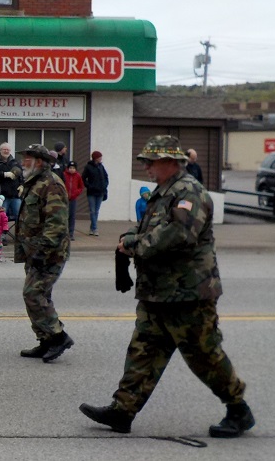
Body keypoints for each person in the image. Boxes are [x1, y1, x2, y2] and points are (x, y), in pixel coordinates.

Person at [80, 135, 254, 439]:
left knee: (203, 354)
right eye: (145, 161)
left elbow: (179, 235)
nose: (146, 166)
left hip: (188, 293)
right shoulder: (164, 192)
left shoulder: (190, 192)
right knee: (143, 351)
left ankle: (238, 408)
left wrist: (134, 244)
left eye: (152, 161)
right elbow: (150, 226)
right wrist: (130, 234)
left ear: (171, 162)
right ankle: (123, 411)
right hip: (158, 292)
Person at [15, 144, 73, 362]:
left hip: (49, 253)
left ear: (39, 161)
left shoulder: (52, 184)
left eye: (27, 158)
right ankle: (45, 340)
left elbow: (56, 224)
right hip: (34, 251)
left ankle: (58, 337)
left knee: (33, 294)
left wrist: (43, 251)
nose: (23, 162)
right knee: (39, 296)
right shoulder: (35, 183)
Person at [0, 142, 23, 225]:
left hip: (15, 195)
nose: (6, 151)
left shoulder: (15, 162)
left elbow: (21, 175)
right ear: (0, 150)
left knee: (20, 216)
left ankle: (19, 236)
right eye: (4, 149)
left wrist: (22, 185)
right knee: (0, 217)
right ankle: (1, 235)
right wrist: (4, 174)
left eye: (8, 150)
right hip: (1, 196)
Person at [82, 150, 109, 236]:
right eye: (99, 157)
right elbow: (83, 178)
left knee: (96, 211)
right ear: (96, 158)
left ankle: (92, 228)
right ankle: (95, 228)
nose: (101, 159)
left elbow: (106, 176)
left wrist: (105, 185)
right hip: (91, 192)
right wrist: (89, 186)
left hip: (100, 192)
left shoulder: (101, 167)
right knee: (92, 211)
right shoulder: (88, 167)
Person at [63, 161, 85, 240]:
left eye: (73, 168)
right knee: (65, 215)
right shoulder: (64, 175)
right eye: (70, 168)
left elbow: (81, 186)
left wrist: (76, 193)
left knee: (72, 216)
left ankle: (71, 233)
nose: (72, 170)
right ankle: (64, 232)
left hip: (73, 199)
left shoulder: (78, 176)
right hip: (65, 198)